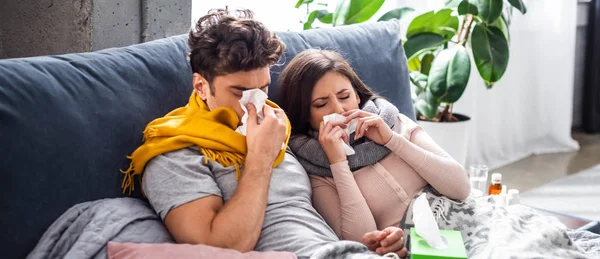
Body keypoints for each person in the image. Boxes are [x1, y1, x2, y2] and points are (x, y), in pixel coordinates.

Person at [120, 8, 407, 258]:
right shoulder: (175, 151)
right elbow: (218, 249)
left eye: (264, 88)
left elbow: (307, 218)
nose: (256, 105)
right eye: (240, 92)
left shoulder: (279, 127)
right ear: (200, 87)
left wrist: (369, 243)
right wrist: (259, 157)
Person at [279, 49, 472, 246]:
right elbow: (360, 241)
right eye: (321, 104)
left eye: (344, 96)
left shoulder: (392, 121)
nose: (339, 109)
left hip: (462, 224)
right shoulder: (315, 168)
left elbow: (461, 188)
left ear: (356, 95)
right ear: (305, 115)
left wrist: (392, 140)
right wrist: (337, 163)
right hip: (412, 248)